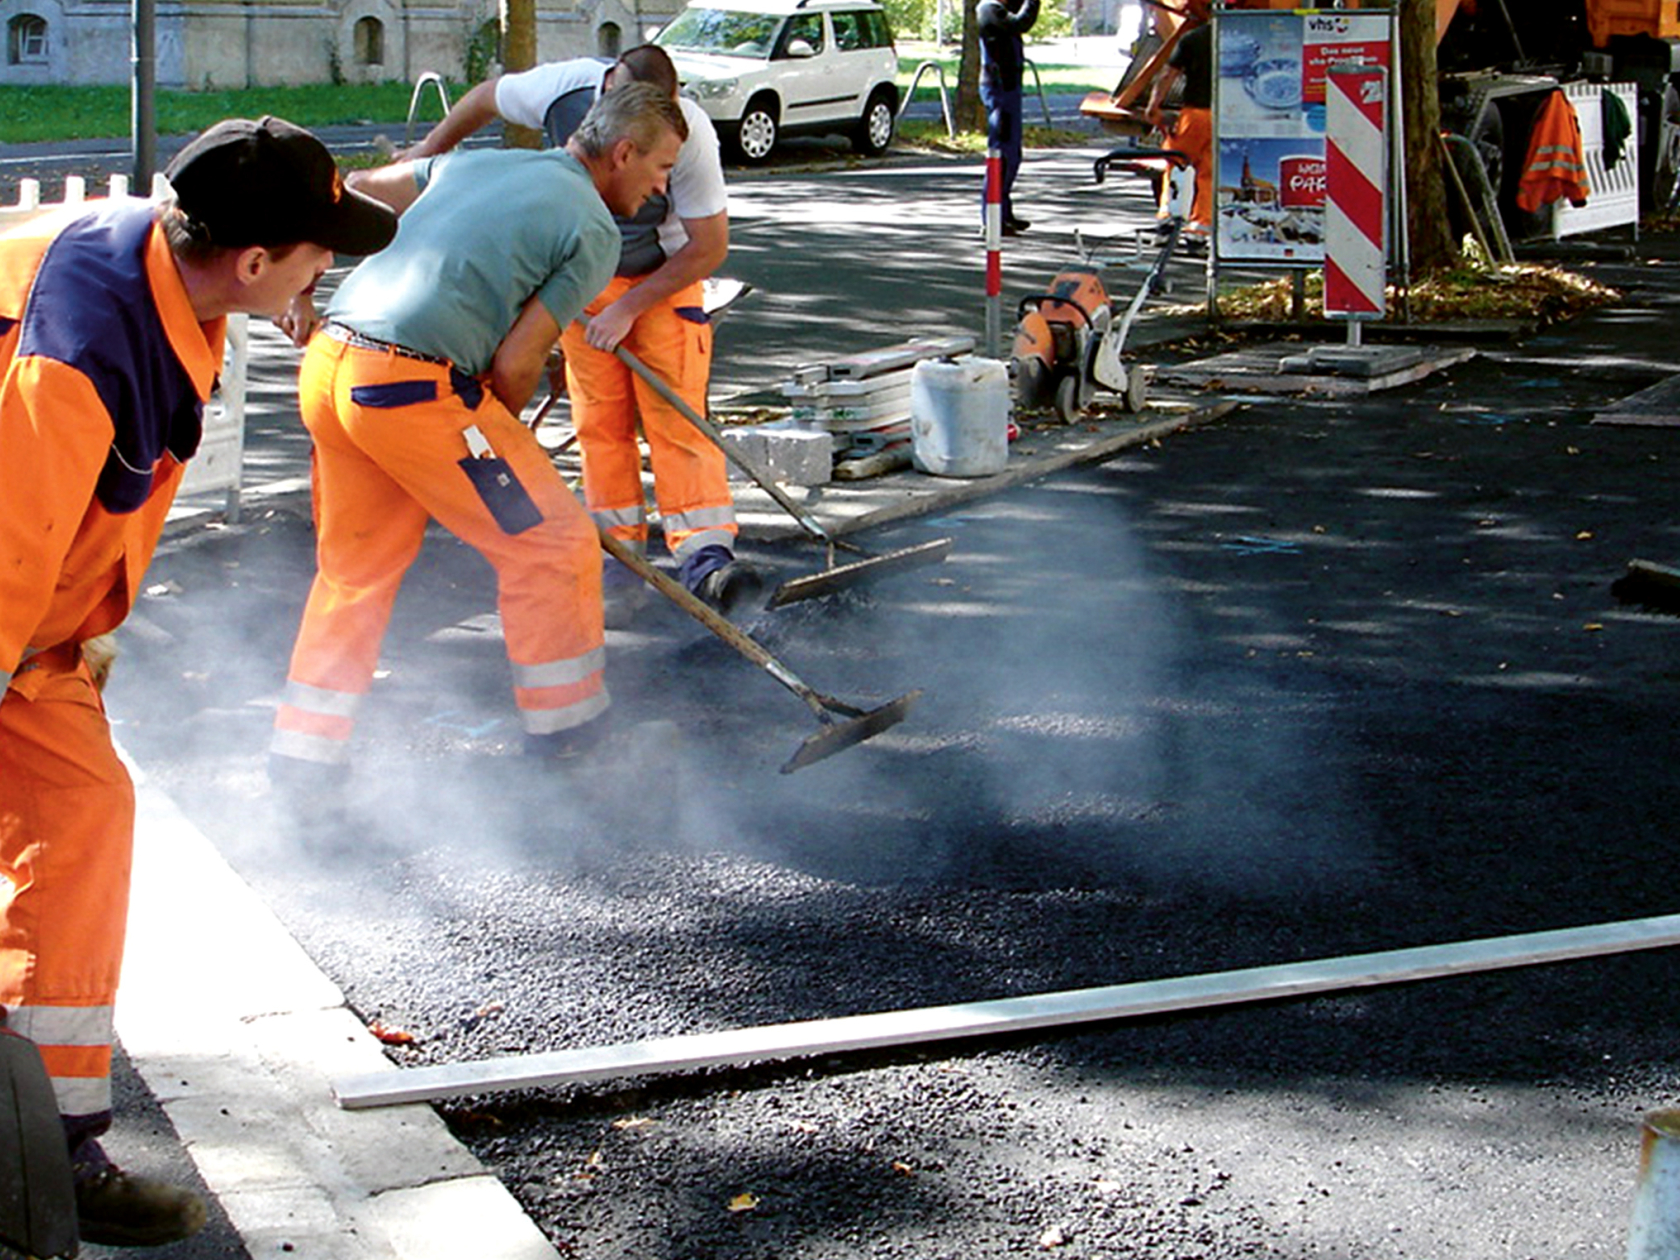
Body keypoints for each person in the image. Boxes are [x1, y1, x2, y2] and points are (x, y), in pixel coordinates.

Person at [0, 116, 397, 1247]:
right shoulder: (81, 348)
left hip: (34, 631)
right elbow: (9, 539)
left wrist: (78, 622)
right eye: (321, 250)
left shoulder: (163, 281)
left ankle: (50, 1146)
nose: (331, 268)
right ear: (256, 259)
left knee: (80, 817)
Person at [267, 82, 687, 784]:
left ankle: (304, 759)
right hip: (409, 391)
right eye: (663, 169)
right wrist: (496, 440)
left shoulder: (479, 163)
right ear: (623, 153)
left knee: (354, 571)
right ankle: (572, 740)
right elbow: (516, 362)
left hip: (333, 367)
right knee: (552, 543)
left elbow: (353, 189)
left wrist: (299, 287)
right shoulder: (593, 229)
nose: (661, 189)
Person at [406, 45, 759, 626]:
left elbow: (708, 246)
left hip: (663, 279)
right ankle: (618, 554)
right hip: (583, 275)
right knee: (599, 421)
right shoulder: (564, 89)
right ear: (611, 98)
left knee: (676, 418)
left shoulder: (687, 131)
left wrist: (632, 306)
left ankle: (705, 559)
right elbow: (481, 99)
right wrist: (425, 152)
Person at [1145, 0, 1214, 236]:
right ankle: (1200, 228)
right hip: (1227, 117)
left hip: (1194, 115)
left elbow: (1168, 75)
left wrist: (1154, 106)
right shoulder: (1240, 40)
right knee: (1210, 173)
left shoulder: (1192, 39)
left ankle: (1168, 218)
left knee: (1177, 163)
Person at [978, 0, 1040, 235]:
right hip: (999, 89)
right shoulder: (988, 9)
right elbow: (1020, 22)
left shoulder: (1001, 8)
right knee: (1000, 155)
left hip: (1009, 88)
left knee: (1012, 155)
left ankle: (1004, 211)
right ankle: (991, 217)